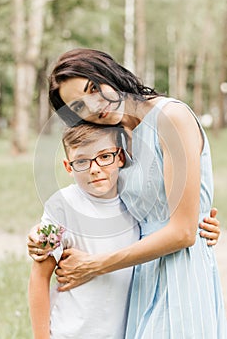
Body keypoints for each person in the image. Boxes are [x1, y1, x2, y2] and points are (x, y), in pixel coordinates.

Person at [29, 48, 226, 338]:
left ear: (108, 71)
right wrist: (42, 234)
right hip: (142, 277)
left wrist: (95, 265)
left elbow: (184, 232)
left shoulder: (171, 117)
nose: (95, 106)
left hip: (181, 271)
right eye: (80, 107)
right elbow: (94, 199)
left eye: (93, 88)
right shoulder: (116, 138)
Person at [28, 123, 140, 339]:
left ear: (120, 158)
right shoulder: (63, 206)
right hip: (70, 332)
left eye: (105, 156)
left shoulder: (136, 203)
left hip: (124, 331)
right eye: (81, 161)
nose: (95, 168)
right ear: (68, 167)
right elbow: (39, 277)